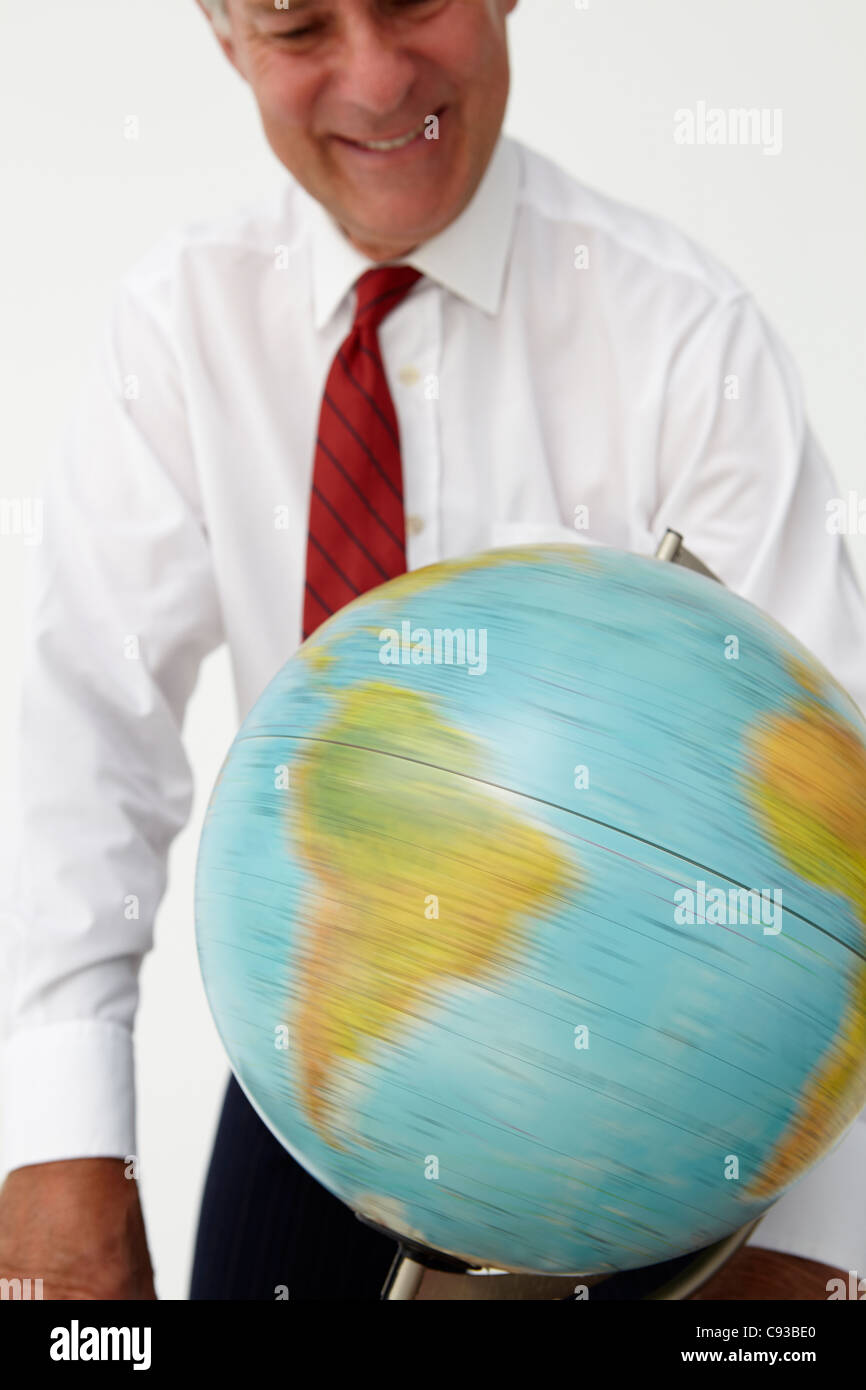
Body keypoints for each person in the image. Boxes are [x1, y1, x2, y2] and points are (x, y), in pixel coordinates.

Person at [1, 0, 865, 1301]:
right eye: (298, 24)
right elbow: (82, 741)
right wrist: (62, 1145)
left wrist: (823, 1245)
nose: (374, 73)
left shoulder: (680, 332)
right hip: (341, 1049)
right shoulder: (181, 325)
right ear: (222, 31)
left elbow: (842, 805)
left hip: (670, 1100)